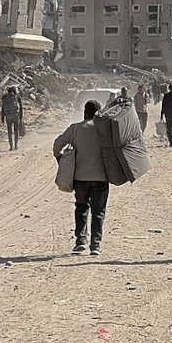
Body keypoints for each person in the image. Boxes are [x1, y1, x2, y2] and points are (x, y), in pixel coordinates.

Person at [53, 100, 109, 255]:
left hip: (80, 178)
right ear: (99, 113)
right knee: (98, 212)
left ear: (85, 112)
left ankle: (80, 241)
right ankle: (95, 246)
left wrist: (61, 161)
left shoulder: (75, 128)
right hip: (101, 177)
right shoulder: (104, 130)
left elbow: (57, 146)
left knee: (81, 208)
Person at [1, 86, 25, 151]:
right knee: (16, 131)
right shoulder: (17, 97)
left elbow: (2, 108)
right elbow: (21, 108)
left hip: (8, 117)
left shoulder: (4, 97)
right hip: (15, 116)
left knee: (9, 132)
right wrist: (21, 117)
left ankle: (11, 146)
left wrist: (2, 118)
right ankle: (16, 145)